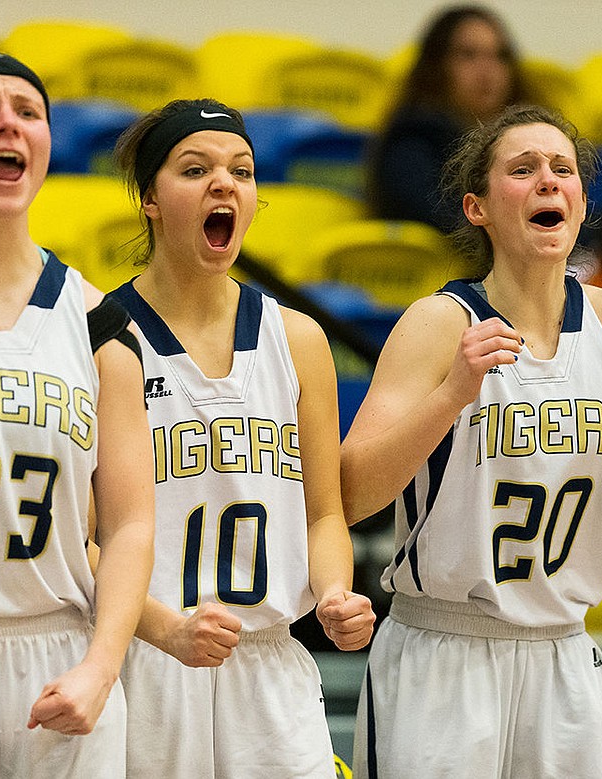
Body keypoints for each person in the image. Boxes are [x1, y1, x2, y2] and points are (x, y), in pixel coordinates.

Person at [341, 104, 602, 778]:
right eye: (523, 168)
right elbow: (353, 492)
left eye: (562, 169)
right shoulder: (436, 323)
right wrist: (453, 391)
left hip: (566, 653)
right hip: (444, 650)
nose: (548, 180)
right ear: (476, 207)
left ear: (581, 201)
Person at [108, 98, 375, 777]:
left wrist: (336, 589)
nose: (225, 183)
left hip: (269, 660)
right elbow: (85, 539)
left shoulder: (299, 338)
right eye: (195, 169)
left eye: (243, 171)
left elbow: (323, 512)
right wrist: (166, 627)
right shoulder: (103, 336)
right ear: (149, 200)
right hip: (149, 658)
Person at [0, 53, 153, 776]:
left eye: (28, 111)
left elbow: (131, 523)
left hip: (62, 659)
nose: (8, 123)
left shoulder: (99, 321)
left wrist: (101, 668)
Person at [365, 4, 537, 232]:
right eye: (468, 55)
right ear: (437, 66)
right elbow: (452, 220)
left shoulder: (535, 139)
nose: (486, 70)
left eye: (500, 56)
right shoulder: (411, 141)